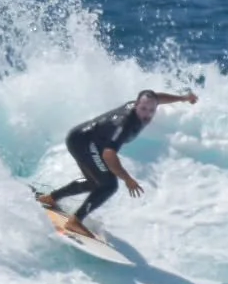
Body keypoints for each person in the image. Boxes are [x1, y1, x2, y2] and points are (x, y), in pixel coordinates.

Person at [38, 89, 199, 237]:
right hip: (84, 143)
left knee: (96, 182)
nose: (147, 115)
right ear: (136, 105)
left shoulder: (143, 106)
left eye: (151, 110)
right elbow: (109, 154)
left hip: (83, 140)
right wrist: (127, 179)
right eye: (143, 109)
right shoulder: (124, 124)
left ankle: (51, 199)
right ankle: (75, 221)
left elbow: (158, 98)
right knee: (109, 185)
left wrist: (182, 98)